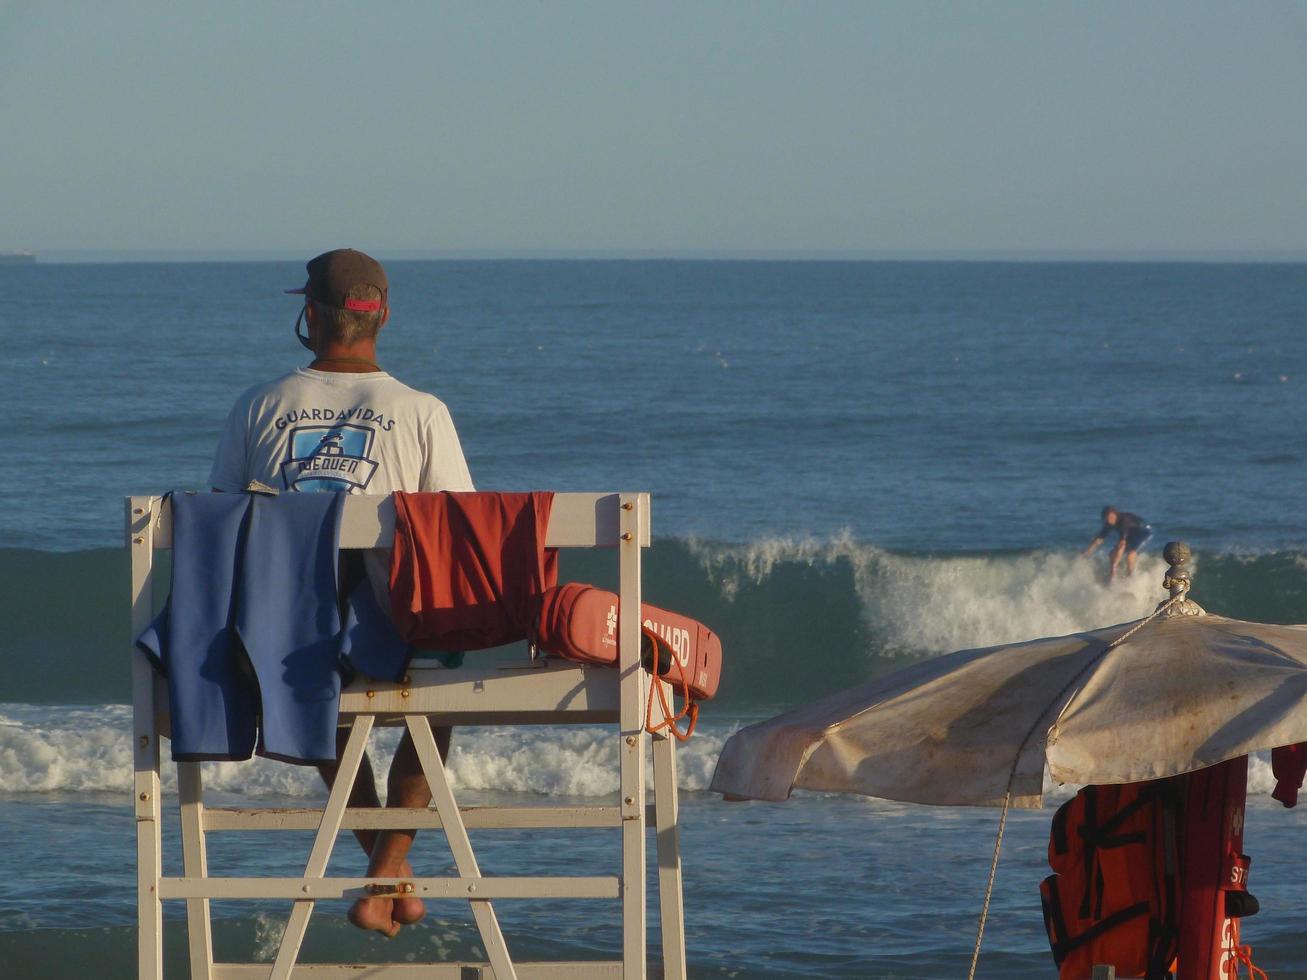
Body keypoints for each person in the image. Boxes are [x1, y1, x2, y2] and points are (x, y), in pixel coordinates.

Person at [210, 248, 473, 936]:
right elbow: (455, 531)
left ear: (308, 315)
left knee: (313, 689)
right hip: (398, 636)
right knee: (444, 688)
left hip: (290, 647)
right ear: (381, 315)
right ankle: (391, 865)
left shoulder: (259, 406)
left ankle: (385, 875)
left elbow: (220, 526)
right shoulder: (421, 411)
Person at [1082, 505, 1152, 583]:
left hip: (1143, 531)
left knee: (1130, 553)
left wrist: (1113, 568)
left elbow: (1121, 545)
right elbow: (1099, 540)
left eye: (1110, 518)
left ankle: (1130, 577)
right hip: (1130, 532)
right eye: (1106, 519)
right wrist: (1086, 553)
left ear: (1114, 515)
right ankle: (1116, 572)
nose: (1109, 521)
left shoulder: (1124, 521)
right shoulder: (1109, 523)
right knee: (1112, 553)